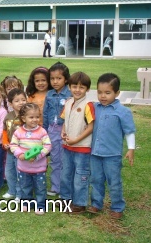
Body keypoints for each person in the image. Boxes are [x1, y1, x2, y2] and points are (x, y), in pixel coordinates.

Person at [88, 73, 136, 220]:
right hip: (95, 153)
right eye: (100, 92)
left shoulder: (123, 112)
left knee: (114, 182)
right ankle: (96, 203)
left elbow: (129, 131)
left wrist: (131, 149)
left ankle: (117, 207)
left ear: (117, 93)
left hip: (112, 155)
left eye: (107, 93)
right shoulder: (95, 108)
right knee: (96, 179)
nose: (103, 96)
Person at [60, 72, 95, 214]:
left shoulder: (88, 105)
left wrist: (76, 139)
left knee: (80, 175)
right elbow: (65, 120)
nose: (77, 90)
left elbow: (91, 127)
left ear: (87, 89)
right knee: (66, 173)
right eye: (74, 86)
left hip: (82, 148)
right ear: (69, 87)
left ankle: (79, 203)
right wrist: (63, 131)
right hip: (68, 146)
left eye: (82, 87)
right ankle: (66, 199)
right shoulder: (68, 102)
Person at [10, 103, 51, 215]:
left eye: (37, 117)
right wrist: (20, 155)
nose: (35, 120)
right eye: (31, 117)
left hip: (39, 168)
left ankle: (41, 205)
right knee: (25, 186)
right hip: (23, 167)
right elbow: (13, 145)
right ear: (23, 118)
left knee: (40, 187)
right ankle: (26, 203)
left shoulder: (42, 131)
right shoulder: (18, 132)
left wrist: (37, 156)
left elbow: (47, 146)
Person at [42, 61, 71, 197]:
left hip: (66, 131)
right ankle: (55, 187)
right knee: (55, 159)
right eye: (52, 78)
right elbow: (46, 113)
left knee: (66, 160)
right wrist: (44, 131)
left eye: (58, 78)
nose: (55, 81)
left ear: (65, 79)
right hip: (52, 130)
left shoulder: (70, 94)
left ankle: (66, 187)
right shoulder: (49, 94)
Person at [2, 88, 27, 200]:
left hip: (21, 150)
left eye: (23, 99)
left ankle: (19, 193)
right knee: (9, 172)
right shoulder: (8, 116)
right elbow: (4, 131)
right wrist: (5, 142)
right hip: (10, 151)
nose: (21, 102)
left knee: (20, 173)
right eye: (17, 100)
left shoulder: (27, 116)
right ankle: (11, 190)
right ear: (10, 103)